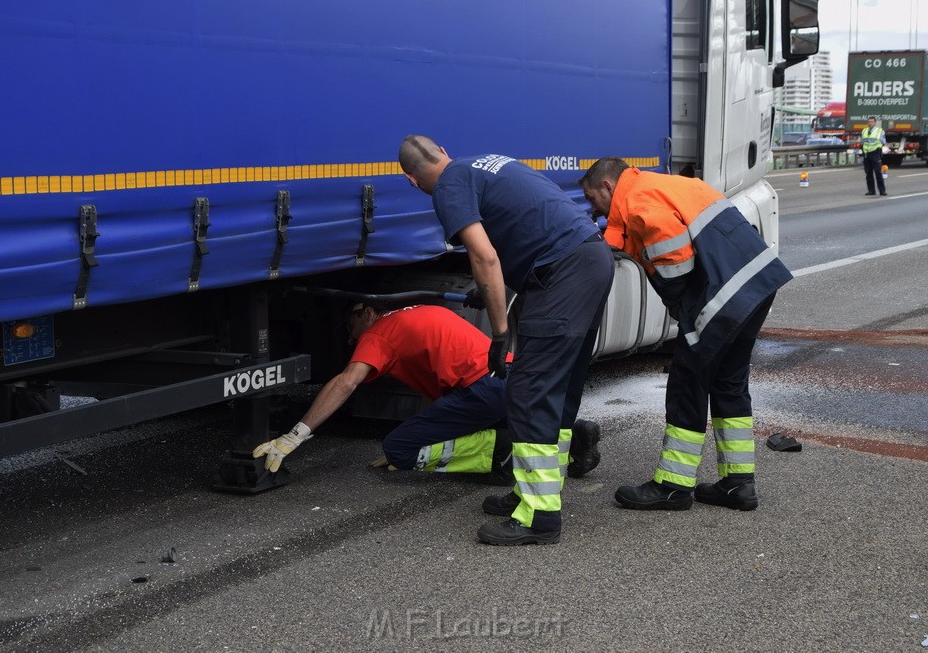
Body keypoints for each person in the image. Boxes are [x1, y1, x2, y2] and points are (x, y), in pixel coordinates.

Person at [399, 135, 614, 546]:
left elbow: (484, 256)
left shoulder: (447, 186)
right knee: (559, 386)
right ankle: (533, 493)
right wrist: (496, 285)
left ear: (412, 180)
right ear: (443, 150)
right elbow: (524, 226)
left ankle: (538, 517)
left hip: (562, 274)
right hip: (591, 259)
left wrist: (499, 333)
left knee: (529, 388)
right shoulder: (485, 161)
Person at [578, 158, 792, 512]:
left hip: (724, 294)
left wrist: (682, 306)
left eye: (592, 199)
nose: (593, 208)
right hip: (756, 283)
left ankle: (673, 486)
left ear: (607, 187)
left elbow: (675, 259)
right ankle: (738, 485)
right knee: (728, 382)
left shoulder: (638, 201)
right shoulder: (666, 184)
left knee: (687, 382)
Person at [252, 302, 602, 483]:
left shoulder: (377, 334)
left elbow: (346, 381)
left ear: (368, 313)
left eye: (351, 326)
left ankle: (504, 452)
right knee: (424, 435)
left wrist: (293, 437)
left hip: (483, 388)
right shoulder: (414, 315)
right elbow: (438, 399)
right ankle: (571, 438)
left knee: (399, 450)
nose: (350, 338)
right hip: (510, 376)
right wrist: (422, 434)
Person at [861, 116, 887, 196]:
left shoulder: (880, 131)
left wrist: (877, 149)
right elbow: (863, 142)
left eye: (872, 121)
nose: (870, 123)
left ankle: (882, 191)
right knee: (868, 173)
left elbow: (883, 141)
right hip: (866, 154)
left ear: (875, 122)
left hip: (875, 153)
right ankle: (871, 191)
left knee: (878, 173)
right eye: (869, 121)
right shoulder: (864, 130)